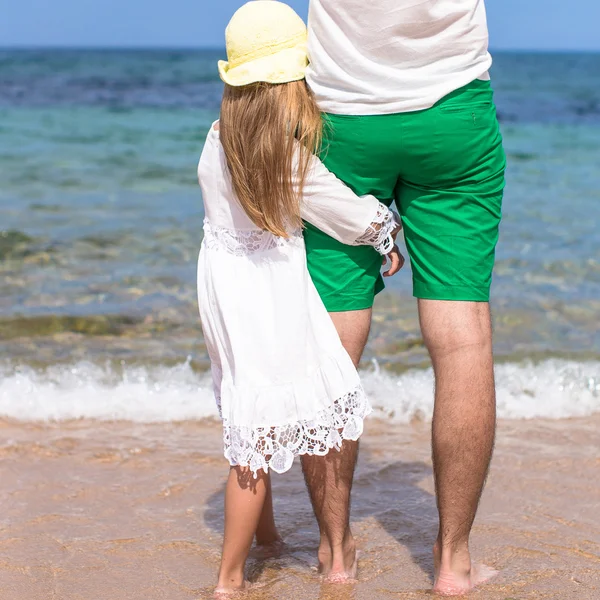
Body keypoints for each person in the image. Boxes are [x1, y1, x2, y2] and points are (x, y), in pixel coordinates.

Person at [196, 2, 403, 594]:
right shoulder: (279, 157)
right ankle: (229, 580)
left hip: (221, 287)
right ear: (291, 84)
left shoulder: (218, 140)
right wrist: (383, 230)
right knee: (259, 441)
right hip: (265, 295)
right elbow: (333, 203)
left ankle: (266, 542)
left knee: (247, 411)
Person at [302, 0, 507, 596]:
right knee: (462, 334)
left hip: (342, 122)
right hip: (452, 118)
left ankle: (335, 553)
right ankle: (454, 561)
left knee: (332, 343)